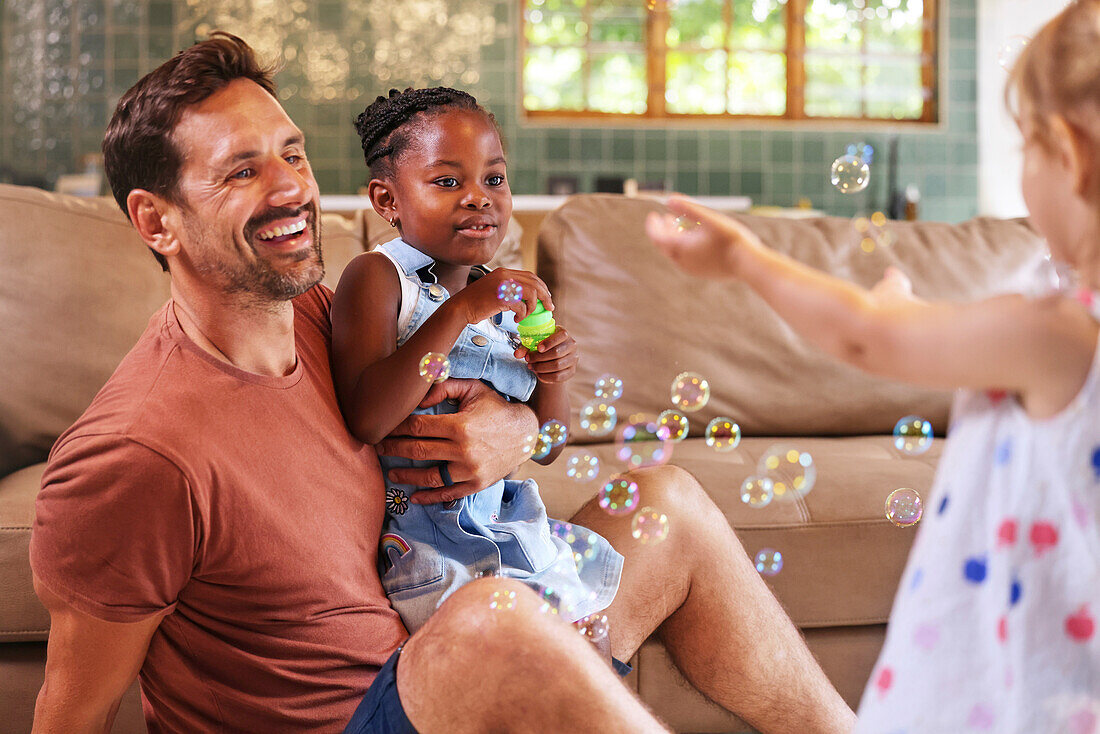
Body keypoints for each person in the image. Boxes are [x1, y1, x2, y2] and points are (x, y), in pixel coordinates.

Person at [29, 33, 855, 734]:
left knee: (663, 503)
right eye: (241, 172)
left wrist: (516, 431)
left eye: (291, 153)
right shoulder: (135, 453)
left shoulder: (332, 318)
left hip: (450, 659)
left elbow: (478, 399)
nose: (291, 188)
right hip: (374, 707)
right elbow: (72, 711)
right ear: (154, 220)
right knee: (492, 619)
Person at [647, 4, 1100, 730]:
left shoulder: (1060, 332)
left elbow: (864, 338)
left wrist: (745, 259)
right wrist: (903, 311)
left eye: (1026, 147)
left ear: (1069, 156)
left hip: (1024, 684)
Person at [330, 87, 621, 639]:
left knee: (590, 644)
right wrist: (462, 311)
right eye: (447, 182)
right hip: (428, 546)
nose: (478, 198)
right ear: (387, 200)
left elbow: (551, 443)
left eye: (494, 178)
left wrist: (552, 374)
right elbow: (367, 416)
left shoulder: (502, 301)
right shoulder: (378, 277)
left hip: (510, 528)